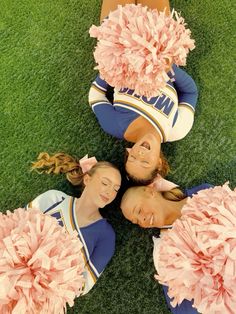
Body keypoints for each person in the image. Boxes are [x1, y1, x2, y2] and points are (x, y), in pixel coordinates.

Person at [89, 0, 198, 185]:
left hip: (119, 38)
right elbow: (190, 93)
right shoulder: (177, 129)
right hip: (157, 42)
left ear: (129, 152)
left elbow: (95, 96)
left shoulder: (115, 126)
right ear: (160, 162)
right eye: (145, 162)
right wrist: (168, 68)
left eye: (133, 158)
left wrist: (113, 67)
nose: (140, 154)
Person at [26, 152, 121, 295]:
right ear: (87, 179)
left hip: (37, 297)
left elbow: (83, 285)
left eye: (115, 189)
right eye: (105, 183)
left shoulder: (106, 236)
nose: (109, 191)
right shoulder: (54, 198)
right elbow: (16, 227)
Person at [120, 182, 214, 314]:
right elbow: (185, 309)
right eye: (136, 221)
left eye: (139, 211)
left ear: (150, 192)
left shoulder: (203, 193)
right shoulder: (163, 252)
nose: (142, 220)